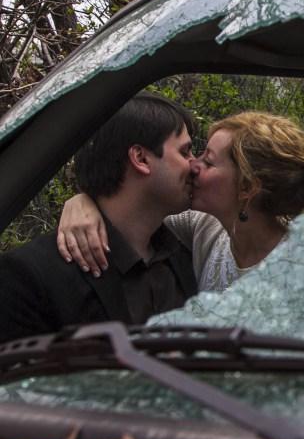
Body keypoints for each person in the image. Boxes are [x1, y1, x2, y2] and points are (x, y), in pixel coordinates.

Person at [58, 111, 304, 292]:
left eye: (208, 160)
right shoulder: (208, 228)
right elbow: (135, 211)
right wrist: (83, 201)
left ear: (246, 187)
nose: (192, 165)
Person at [0, 92, 199, 343]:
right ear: (141, 158)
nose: (194, 165)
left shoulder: (185, 255)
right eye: (185, 152)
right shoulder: (30, 276)